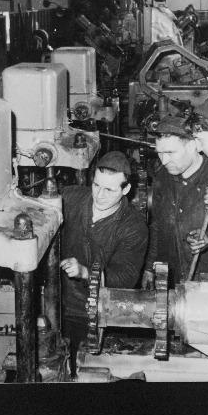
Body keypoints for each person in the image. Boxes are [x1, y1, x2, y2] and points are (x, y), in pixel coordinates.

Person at [59, 150, 148, 375]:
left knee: (82, 371)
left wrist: (84, 272)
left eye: (109, 189)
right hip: (55, 302)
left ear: (126, 189)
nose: (99, 195)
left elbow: (126, 279)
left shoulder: (133, 227)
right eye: (97, 185)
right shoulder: (70, 198)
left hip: (93, 313)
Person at [142, 115, 208, 289]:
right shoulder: (162, 178)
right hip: (172, 277)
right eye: (160, 154)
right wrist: (150, 267)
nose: (164, 161)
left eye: (170, 153)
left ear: (193, 145)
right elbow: (157, 226)